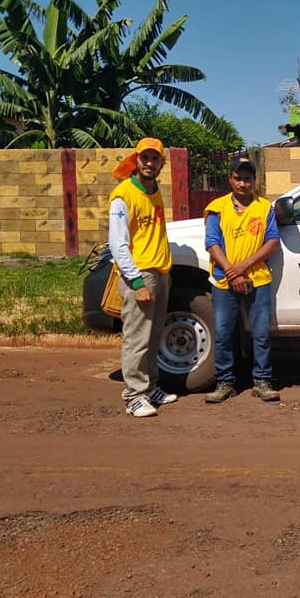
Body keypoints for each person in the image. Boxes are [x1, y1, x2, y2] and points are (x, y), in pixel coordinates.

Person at [203, 156, 282, 404]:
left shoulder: (264, 207)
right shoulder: (217, 208)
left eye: (248, 179)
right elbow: (212, 242)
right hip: (223, 281)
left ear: (254, 180)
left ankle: (262, 380)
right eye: (238, 178)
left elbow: (272, 242)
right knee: (224, 332)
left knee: (260, 334)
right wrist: (231, 271)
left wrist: (243, 268)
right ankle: (225, 382)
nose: (243, 184)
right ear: (230, 179)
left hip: (257, 278)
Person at [108, 137, 177, 418]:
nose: (150, 163)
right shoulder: (123, 195)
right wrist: (136, 282)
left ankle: (150, 387)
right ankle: (134, 395)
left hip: (160, 271)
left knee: (154, 334)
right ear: (136, 160)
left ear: (162, 163)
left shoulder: (153, 189)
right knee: (137, 338)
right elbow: (118, 243)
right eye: (145, 158)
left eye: (155, 159)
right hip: (141, 274)